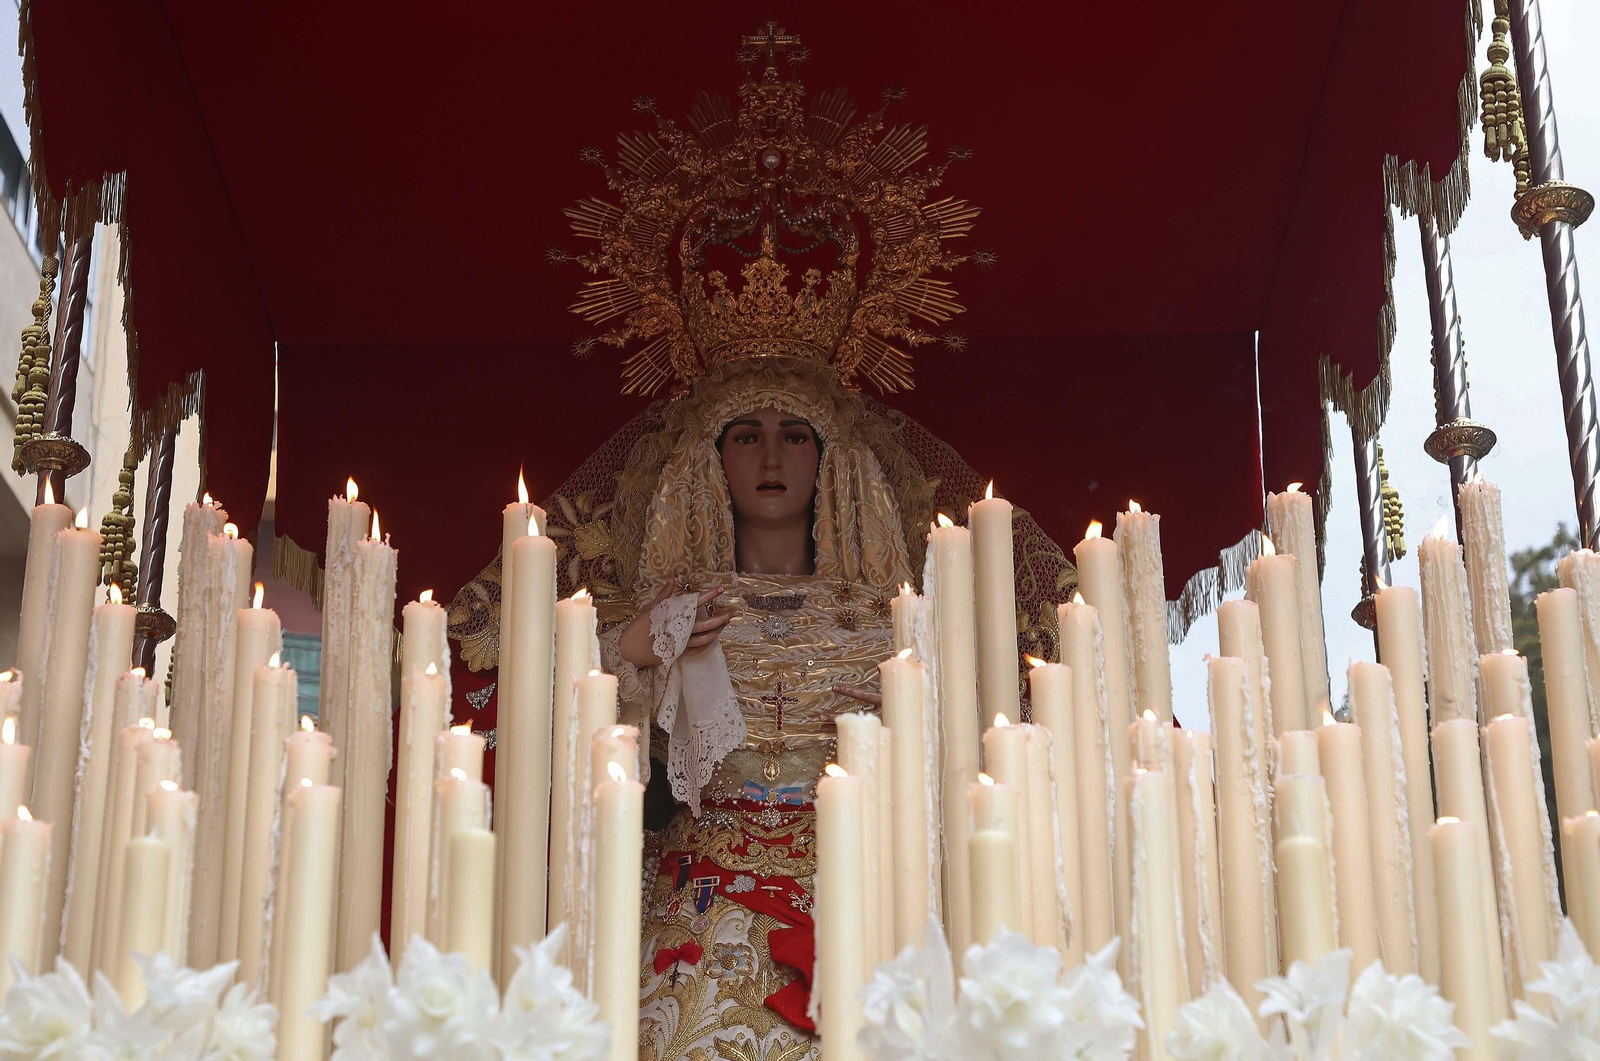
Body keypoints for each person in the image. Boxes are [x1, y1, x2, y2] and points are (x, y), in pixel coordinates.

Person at [597, 358, 916, 1061]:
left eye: (795, 435)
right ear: (713, 462)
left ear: (830, 463)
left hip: (853, 888)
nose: (771, 456)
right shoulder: (671, 616)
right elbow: (581, 754)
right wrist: (628, 654)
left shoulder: (886, 624)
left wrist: (917, 715)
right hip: (701, 894)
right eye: (746, 435)